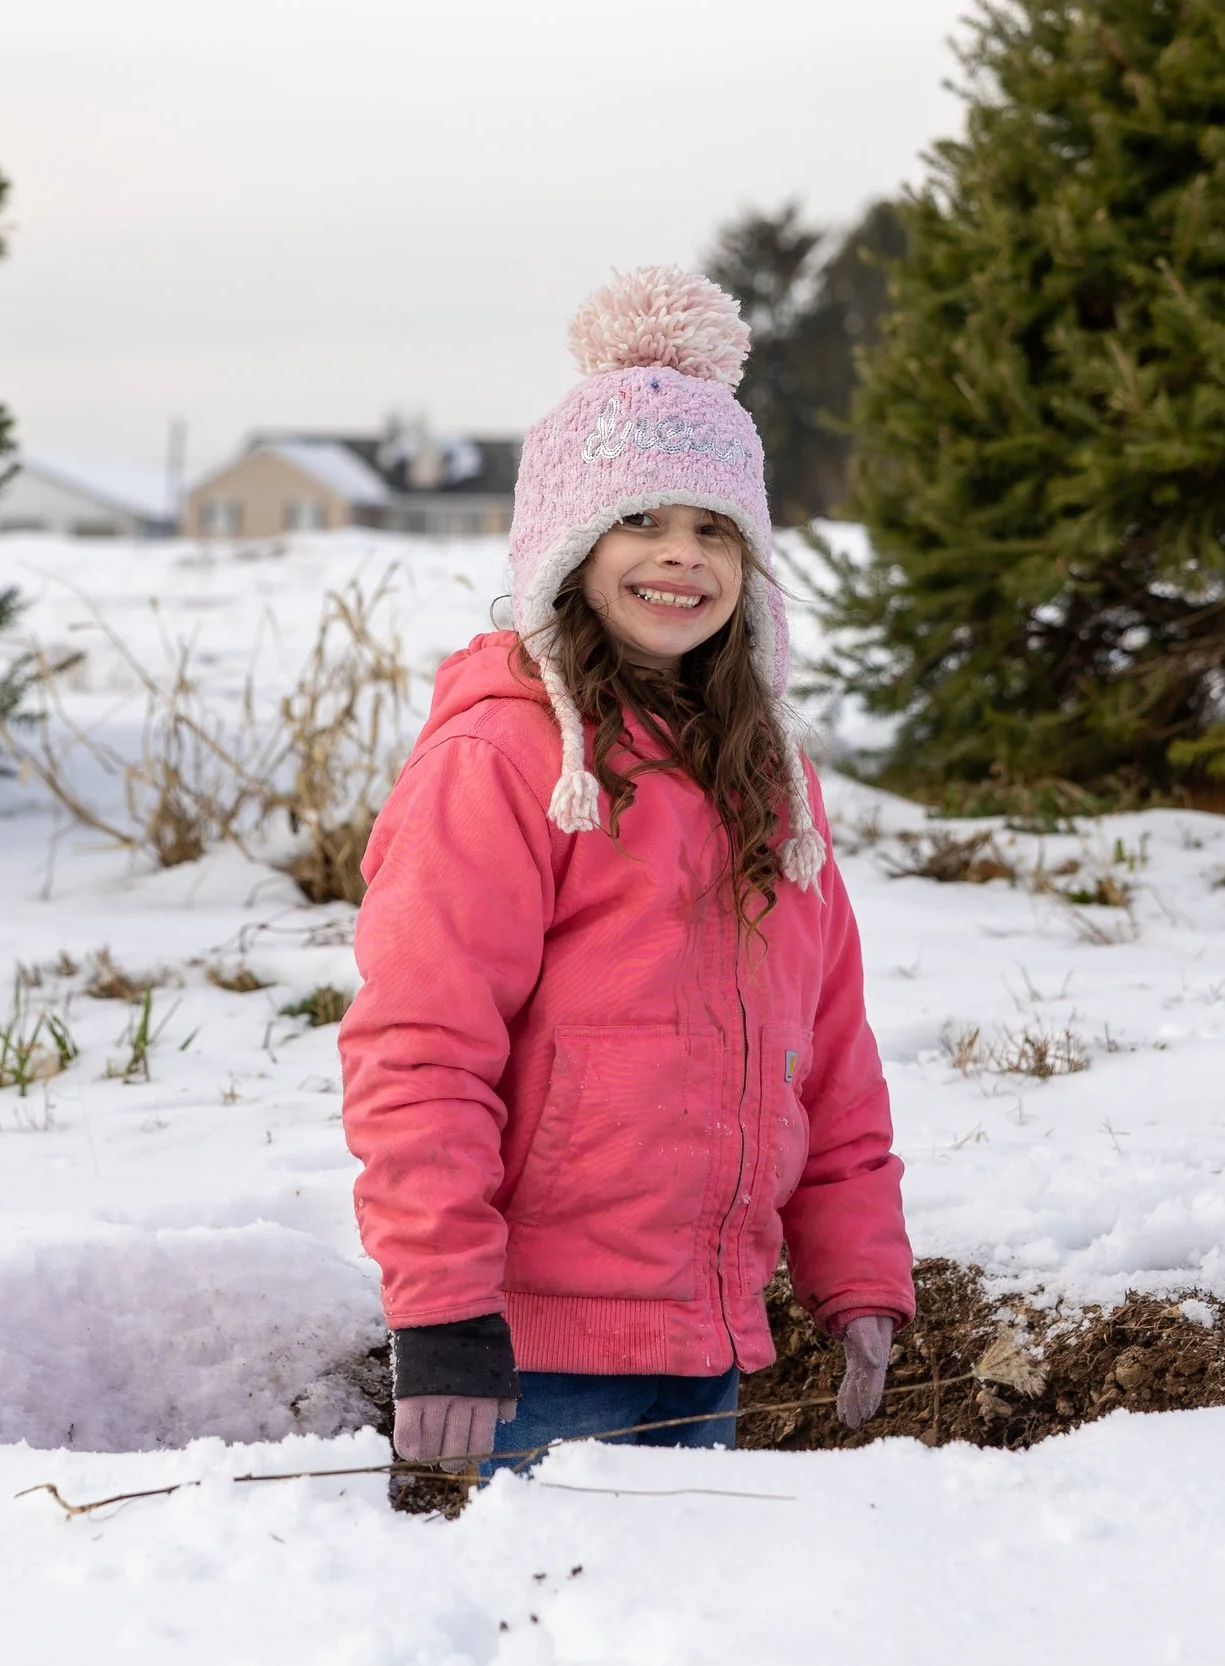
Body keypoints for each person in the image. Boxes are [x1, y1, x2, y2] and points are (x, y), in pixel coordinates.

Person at [338, 267, 915, 1474]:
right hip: (528, 1356)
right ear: (566, 543)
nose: (681, 557)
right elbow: (422, 1045)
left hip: (707, 1341)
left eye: (715, 529)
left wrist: (857, 1269)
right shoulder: (502, 759)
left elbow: (828, 1051)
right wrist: (442, 1307)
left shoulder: (772, 779)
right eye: (641, 520)